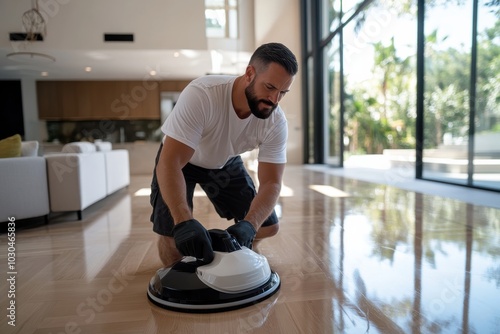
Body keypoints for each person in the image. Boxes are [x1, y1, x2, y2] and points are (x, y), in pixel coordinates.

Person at [150, 42, 298, 267]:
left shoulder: (275, 122)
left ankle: (244, 254)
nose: (274, 100)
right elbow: (170, 163)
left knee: (267, 226)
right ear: (250, 74)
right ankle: (176, 274)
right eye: (269, 87)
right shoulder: (203, 94)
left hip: (225, 161)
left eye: (282, 93)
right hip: (182, 161)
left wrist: (249, 226)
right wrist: (184, 223)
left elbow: (271, 183)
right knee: (173, 236)